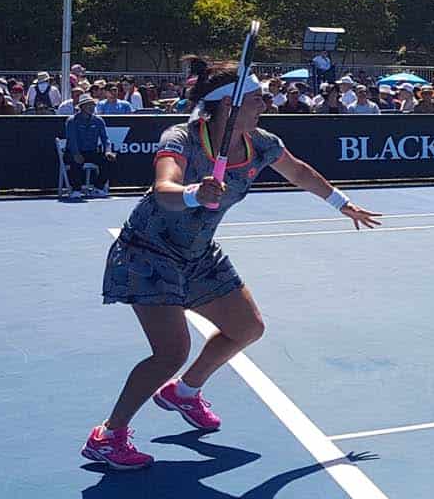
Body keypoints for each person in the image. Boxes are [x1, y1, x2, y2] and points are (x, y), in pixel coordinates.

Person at [82, 57, 381, 470]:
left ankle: (183, 393)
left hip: (198, 254)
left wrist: (341, 203)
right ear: (229, 105)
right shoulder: (182, 137)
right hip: (148, 254)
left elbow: (299, 172)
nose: (266, 103)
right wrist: (192, 193)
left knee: (248, 328)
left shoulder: (261, 142)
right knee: (170, 352)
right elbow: (164, 189)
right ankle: (108, 435)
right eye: (257, 98)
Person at [65, 94, 116, 194]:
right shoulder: (71, 121)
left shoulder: (99, 121)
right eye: (88, 105)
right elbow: (72, 140)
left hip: (91, 152)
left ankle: (98, 188)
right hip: (74, 152)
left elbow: (105, 139)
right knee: (75, 162)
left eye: (93, 105)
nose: (91, 107)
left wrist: (108, 151)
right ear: (82, 107)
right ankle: (76, 190)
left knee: (109, 160)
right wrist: (76, 153)